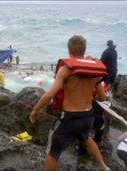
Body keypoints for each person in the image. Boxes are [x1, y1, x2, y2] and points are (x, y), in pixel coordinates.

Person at [30, 35, 109, 171]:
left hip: (70, 118)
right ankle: (104, 167)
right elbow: (102, 98)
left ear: (69, 51)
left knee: (52, 152)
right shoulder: (94, 72)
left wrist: (35, 110)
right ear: (84, 50)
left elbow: (50, 94)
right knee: (86, 138)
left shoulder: (66, 70)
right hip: (88, 116)